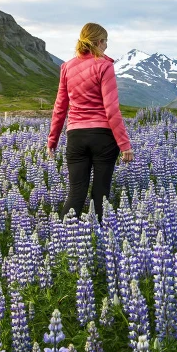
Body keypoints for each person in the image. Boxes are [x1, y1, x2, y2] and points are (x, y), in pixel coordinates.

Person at [47, 22, 134, 218]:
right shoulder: (104, 66)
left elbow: (60, 108)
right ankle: (101, 242)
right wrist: (124, 144)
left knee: (76, 192)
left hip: (76, 136)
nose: (106, 46)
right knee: (100, 193)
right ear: (100, 41)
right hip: (103, 136)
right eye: (106, 42)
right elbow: (112, 109)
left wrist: (52, 140)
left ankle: (64, 239)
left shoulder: (67, 67)